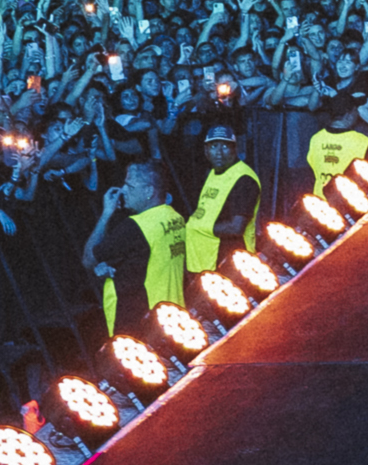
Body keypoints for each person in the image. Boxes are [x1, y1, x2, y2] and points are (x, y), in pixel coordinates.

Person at [85, 161, 187, 337]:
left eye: (129, 186)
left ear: (149, 191)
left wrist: (106, 214)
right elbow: (145, 259)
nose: (123, 190)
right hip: (172, 313)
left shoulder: (136, 226)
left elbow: (88, 258)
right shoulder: (175, 218)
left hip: (140, 322)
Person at [186, 118, 262, 277]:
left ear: (235, 149)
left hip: (231, 263)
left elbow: (236, 227)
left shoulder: (244, 179)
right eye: (214, 146)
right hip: (207, 260)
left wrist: (198, 227)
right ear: (206, 150)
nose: (219, 152)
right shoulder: (213, 173)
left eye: (225, 146)